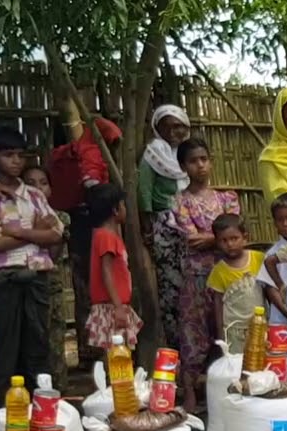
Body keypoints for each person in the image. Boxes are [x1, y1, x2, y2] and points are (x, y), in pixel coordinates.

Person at [0, 126, 65, 403]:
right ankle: (6, 408)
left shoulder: (34, 196)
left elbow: (56, 233)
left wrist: (17, 232)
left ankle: (41, 405)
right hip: (5, 278)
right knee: (7, 345)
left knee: (38, 342)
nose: (15, 161)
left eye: (19, 155)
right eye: (7, 155)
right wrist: (35, 231)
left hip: (37, 277)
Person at [154, 137, 241, 410]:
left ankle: (230, 387)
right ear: (183, 166)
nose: (200, 165)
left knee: (229, 328)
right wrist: (220, 238)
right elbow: (193, 239)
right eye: (193, 161)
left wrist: (213, 239)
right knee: (194, 332)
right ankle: (190, 391)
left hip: (229, 273)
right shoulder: (180, 201)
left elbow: (234, 232)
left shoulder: (227, 197)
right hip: (198, 276)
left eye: (204, 159)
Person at [48, 113, 122, 369]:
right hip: (92, 221)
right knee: (96, 282)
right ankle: (98, 350)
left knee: (86, 285)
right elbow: (92, 188)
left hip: (78, 219)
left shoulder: (62, 156)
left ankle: (90, 349)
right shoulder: (88, 154)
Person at [22, 166, 73, 391]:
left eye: (43, 182)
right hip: (25, 287)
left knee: (54, 339)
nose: (38, 188)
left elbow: (51, 256)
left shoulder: (60, 218)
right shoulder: (17, 218)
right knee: (31, 340)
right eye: (31, 183)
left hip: (52, 285)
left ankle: (59, 391)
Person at [85, 183, 142, 349]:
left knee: (118, 352)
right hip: (111, 306)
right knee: (117, 355)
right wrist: (117, 306)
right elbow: (106, 272)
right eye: (123, 205)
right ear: (115, 210)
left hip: (114, 304)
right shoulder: (106, 237)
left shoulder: (107, 236)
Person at [206, 214, 264, 353]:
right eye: (224, 241)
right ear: (217, 242)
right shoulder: (219, 271)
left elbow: (268, 291)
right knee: (236, 365)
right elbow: (218, 304)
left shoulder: (258, 259)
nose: (230, 244)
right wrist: (221, 334)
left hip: (259, 326)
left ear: (245, 237)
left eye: (234, 238)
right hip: (233, 331)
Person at [138, 104, 191, 232]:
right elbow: (144, 189)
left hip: (190, 216)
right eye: (165, 127)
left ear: (186, 127)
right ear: (157, 129)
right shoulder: (153, 153)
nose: (171, 133)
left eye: (177, 126)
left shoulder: (190, 151)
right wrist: (147, 221)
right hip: (163, 219)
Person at [258, 193, 287, 327]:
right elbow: (271, 289)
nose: (285, 224)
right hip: (282, 319)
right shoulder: (272, 254)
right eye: (280, 220)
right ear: (274, 222)